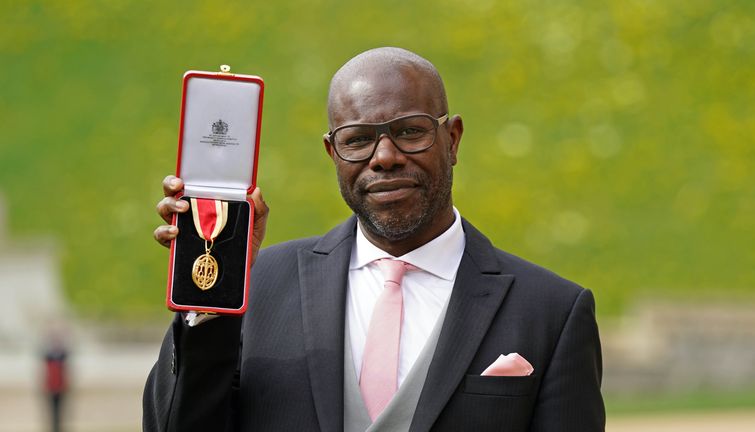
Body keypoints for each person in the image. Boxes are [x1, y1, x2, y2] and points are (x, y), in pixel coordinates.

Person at [144, 47, 605, 431]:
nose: (384, 157)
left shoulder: (552, 313)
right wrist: (209, 291)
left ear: (453, 139)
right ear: (333, 153)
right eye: (358, 139)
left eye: (409, 132)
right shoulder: (256, 287)